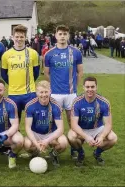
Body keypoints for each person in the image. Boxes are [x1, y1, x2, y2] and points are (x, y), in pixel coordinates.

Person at [44, 25, 83, 159]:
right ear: (55, 35)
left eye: (65, 34)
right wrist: (54, 86)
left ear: (68, 36)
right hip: (55, 94)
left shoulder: (76, 52)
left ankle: (74, 148)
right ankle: (55, 148)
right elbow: (47, 73)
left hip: (71, 94)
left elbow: (80, 72)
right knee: (53, 123)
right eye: (60, 34)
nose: (62, 36)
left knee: (73, 122)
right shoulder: (49, 53)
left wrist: (74, 87)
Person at [68, 76, 117, 166]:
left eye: (92, 87)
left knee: (113, 138)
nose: (90, 89)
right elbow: (74, 125)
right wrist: (86, 137)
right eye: (87, 87)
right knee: (71, 136)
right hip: (81, 128)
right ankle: (81, 153)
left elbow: (108, 124)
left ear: (96, 87)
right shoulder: (77, 102)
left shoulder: (104, 102)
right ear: (83, 87)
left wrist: (102, 136)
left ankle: (97, 153)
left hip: (97, 128)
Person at [23, 80, 68, 167]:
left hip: (51, 133)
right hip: (36, 133)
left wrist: (47, 141)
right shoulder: (30, 105)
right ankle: (35, 153)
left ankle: (54, 154)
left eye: (46, 92)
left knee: (63, 142)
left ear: (50, 91)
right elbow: (28, 128)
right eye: (41, 92)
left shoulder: (56, 106)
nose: (44, 95)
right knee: (27, 144)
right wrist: (36, 143)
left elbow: (60, 129)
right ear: (36, 93)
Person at [1, 24, 40, 123]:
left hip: (30, 93)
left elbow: (36, 72)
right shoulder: (6, 55)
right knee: (14, 124)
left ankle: (32, 138)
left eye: (21, 37)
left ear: (25, 37)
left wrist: (28, 83)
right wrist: (13, 84)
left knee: (32, 122)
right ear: (13, 37)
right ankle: (16, 138)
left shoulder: (33, 53)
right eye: (17, 37)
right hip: (13, 94)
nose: (19, 39)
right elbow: (4, 74)